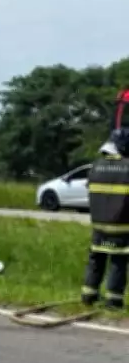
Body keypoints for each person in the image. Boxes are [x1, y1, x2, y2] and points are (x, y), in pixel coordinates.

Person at [82, 128, 129, 309]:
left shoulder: (95, 166)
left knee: (96, 260)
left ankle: (88, 296)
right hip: (121, 227)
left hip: (99, 227)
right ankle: (113, 300)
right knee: (118, 262)